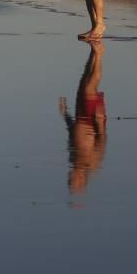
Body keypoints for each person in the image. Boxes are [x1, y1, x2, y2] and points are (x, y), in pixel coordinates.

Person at [59, 40, 107, 196]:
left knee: (84, 82)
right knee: (90, 85)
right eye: (72, 180)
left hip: (81, 117)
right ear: (81, 179)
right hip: (92, 119)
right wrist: (100, 122)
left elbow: (71, 134)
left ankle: (95, 53)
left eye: (69, 179)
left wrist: (66, 114)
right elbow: (102, 141)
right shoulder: (92, 164)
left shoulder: (73, 159)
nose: (69, 176)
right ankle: (99, 54)